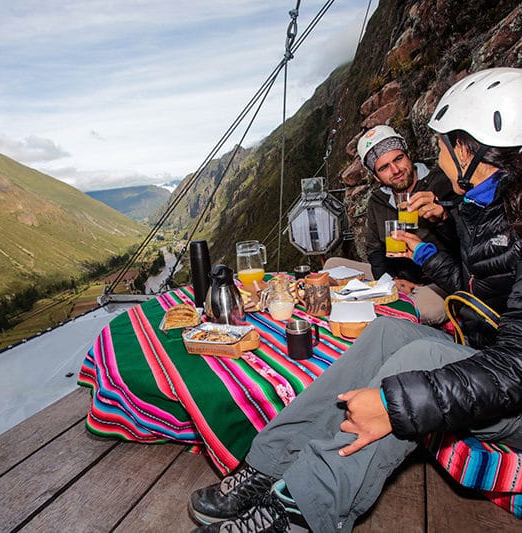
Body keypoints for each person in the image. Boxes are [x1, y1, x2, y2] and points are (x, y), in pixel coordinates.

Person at [187, 67, 522, 533]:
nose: (438, 156)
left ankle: (303, 509)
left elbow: (515, 365)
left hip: (509, 390)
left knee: (421, 353)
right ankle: (265, 465)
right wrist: (444, 229)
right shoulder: (491, 207)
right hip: (489, 356)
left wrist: (397, 402)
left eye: (444, 144)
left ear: (468, 150)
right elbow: (478, 279)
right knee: (387, 330)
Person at [362, 125, 459, 325]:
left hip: (440, 280)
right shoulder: (378, 201)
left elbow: (468, 247)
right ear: (376, 176)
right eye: (384, 167)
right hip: (398, 278)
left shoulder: (442, 182)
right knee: (333, 265)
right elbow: (374, 250)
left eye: (398, 159)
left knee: (430, 309)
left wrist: (443, 218)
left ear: (408, 155)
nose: (395, 171)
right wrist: (389, 282)